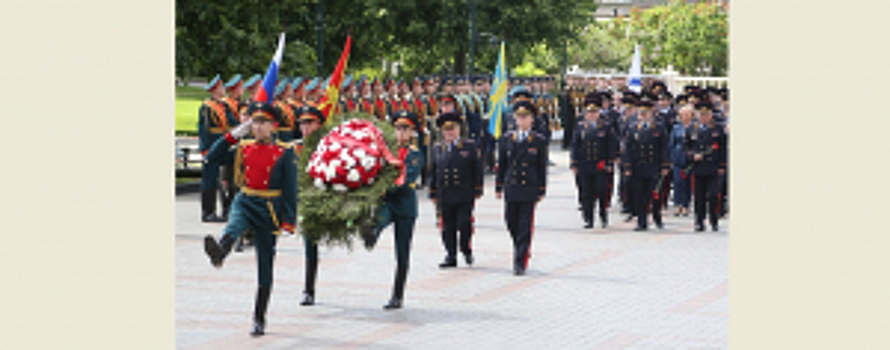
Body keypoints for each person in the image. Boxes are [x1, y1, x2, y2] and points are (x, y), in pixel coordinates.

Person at [202, 102, 298, 337]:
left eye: (263, 122)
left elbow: (290, 188)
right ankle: (220, 251)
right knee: (233, 225)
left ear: (274, 126)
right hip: (245, 200)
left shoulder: (285, 152)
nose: (257, 127)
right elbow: (212, 156)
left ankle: (259, 317)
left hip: (269, 207)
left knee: (265, 264)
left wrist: (289, 221)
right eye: (254, 122)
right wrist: (233, 135)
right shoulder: (243, 147)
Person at [360, 110, 424, 310]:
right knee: (377, 221)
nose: (400, 132)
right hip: (387, 201)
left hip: (405, 204)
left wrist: (383, 187)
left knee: (402, 252)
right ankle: (372, 233)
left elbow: (407, 180)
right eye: (397, 128)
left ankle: (397, 296)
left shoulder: (415, 155)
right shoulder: (386, 151)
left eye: (405, 128)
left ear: (412, 132)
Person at [495, 101, 547, 276]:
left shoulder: (538, 141)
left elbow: (541, 167)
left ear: (531, 120)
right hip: (511, 186)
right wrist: (499, 185)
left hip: (528, 188)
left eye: (525, 117)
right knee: (510, 221)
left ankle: (519, 260)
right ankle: (521, 246)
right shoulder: (507, 139)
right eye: (519, 117)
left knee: (525, 225)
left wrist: (541, 189)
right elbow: (502, 164)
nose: (521, 120)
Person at [429, 111, 483, 268]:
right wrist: (432, 191)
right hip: (445, 193)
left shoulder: (469, 146)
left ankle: (466, 249)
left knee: (464, 223)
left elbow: (477, 169)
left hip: (464, 193)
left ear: (459, 129)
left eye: (452, 129)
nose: (449, 133)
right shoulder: (438, 148)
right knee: (447, 226)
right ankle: (450, 255)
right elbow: (434, 170)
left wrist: (478, 188)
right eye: (446, 130)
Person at [293, 103, 327, 306]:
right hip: (296, 201)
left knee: (311, 243)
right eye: (302, 124)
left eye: (310, 123)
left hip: (318, 200)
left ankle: (309, 289)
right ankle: (308, 290)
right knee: (309, 244)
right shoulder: (294, 148)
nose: (305, 128)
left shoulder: (327, 147)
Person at [621, 97, 669, 231]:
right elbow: (627, 149)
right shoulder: (632, 128)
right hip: (638, 167)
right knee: (640, 195)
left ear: (651, 113)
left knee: (655, 194)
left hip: (654, 166)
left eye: (646, 113)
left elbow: (665, 147)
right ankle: (642, 222)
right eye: (641, 113)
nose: (643, 115)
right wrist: (628, 166)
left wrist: (665, 165)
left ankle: (656, 215)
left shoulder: (659, 128)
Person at [571, 94, 617, 229]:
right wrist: (574, 162)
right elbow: (575, 145)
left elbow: (611, 146)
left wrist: (609, 162)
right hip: (585, 164)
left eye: (594, 112)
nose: (592, 115)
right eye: (589, 112)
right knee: (586, 192)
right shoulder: (580, 126)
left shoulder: (606, 126)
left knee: (602, 191)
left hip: (600, 164)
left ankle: (603, 213)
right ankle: (588, 218)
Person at [198, 74, 238, 222]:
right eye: (221, 87)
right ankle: (208, 212)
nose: (223, 89)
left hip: (223, 144)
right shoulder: (207, 107)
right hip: (211, 145)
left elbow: (232, 121)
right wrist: (204, 149)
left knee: (233, 164)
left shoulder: (222, 105)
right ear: (215, 89)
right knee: (210, 179)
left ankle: (228, 207)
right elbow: (204, 129)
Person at [685, 101, 727, 231]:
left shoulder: (718, 129)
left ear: (710, 115)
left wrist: (722, 165)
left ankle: (714, 219)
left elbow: (723, 149)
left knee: (714, 195)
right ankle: (699, 221)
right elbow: (686, 148)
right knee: (699, 197)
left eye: (706, 115)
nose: (704, 117)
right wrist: (692, 155)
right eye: (701, 115)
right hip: (698, 168)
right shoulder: (691, 129)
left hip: (713, 167)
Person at [670, 105, 694, 217]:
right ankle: (677, 204)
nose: (685, 116)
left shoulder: (695, 127)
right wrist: (671, 157)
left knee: (687, 183)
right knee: (677, 181)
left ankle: (686, 205)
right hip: (678, 158)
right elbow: (672, 144)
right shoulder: (676, 128)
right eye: (683, 114)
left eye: (688, 114)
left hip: (690, 158)